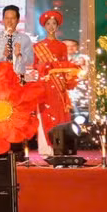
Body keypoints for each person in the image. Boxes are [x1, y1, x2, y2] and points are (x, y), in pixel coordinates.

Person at [33, 10, 74, 157]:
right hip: (44, 84)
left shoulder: (62, 46)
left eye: (54, 24)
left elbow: (65, 64)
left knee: (59, 114)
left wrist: (66, 79)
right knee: (45, 113)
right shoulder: (37, 46)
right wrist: (44, 66)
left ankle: (59, 146)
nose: (51, 26)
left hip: (58, 85)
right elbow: (34, 65)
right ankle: (46, 148)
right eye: (48, 24)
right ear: (44, 26)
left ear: (57, 26)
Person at [0, 5, 34, 81]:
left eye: (13, 18)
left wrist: (19, 55)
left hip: (20, 78)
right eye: (7, 18)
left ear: (18, 20)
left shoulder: (25, 38)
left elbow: (30, 61)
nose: (9, 21)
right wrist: (2, 55)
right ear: (3, 20)